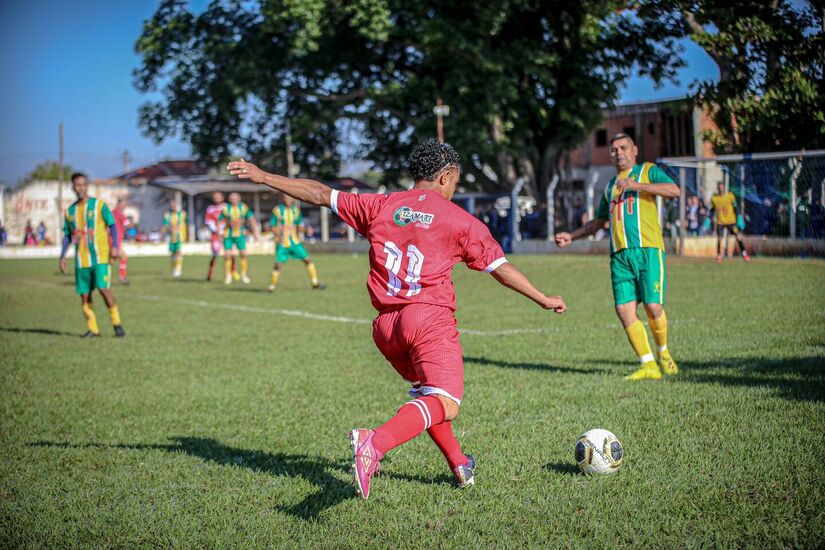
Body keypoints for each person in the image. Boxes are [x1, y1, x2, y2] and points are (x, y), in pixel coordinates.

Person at [228, 140, 566, 500]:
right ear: (446, 176)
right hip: (427, 319)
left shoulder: (381, 204)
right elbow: (500, 268)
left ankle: (459, 463)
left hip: (386, 326)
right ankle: (375, 443)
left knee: (426, 392)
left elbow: (320, 193)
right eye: (455, 181)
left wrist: (264, 176)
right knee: (445, 401)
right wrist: (543, 298)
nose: (454, 188)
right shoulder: (461, 220)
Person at [555, 133, 678, 381]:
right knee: (624, 310)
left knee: (653, 307)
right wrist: (573, 235)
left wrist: (637, 186)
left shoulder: (647, 171)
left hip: (648, 250)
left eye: (623, 147)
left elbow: (674, 190)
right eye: (613, 149)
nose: (618, 152)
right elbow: (598, 222)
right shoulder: (611, 186)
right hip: (620, 256)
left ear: (635, 150)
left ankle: (663, 352)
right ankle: (649, 365)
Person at [58, 172, 125, 338]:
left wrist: (115, 247)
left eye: (83, 184)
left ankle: (117, 324)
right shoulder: (70, 211)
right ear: (73, 187)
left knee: (103, 289)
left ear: (87, 186)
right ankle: (93, 329)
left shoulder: (99, 206)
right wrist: (62, 256)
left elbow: (113, 226)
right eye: (77, 185)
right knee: (84, 295)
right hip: (81, 260)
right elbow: (67, 235)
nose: (80, 188)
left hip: (101, 257)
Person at [268, 194, 325, 292]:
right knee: (278, 265)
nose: (288, 200)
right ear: (283, 199)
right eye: (286, 198)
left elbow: (299, 227)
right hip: (283, 243)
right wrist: (279, 237)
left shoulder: (296, 211)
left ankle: (315, 283)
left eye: (290, 198)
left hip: (295, 242)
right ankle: (271, 287)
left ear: (293, 199)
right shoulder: (277, 210)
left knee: (308, 260)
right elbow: (272, 226)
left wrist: (306, 230)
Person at [219, 192, 258, 284]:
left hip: (240, 234)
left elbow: (251, 219)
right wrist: (219, 232)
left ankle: (244, 275)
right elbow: (220, 220)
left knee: (243, 254)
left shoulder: (243, 208)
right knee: (227, 255)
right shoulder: (225, 208)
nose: (233, 200)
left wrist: (255, 232)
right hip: (228, 234)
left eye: (235, 198)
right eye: (231, 198)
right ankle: (228, 275)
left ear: (239, 199)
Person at [710, 182, 750, 263]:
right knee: (719, 239)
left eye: (722, 187)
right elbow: (712, 209)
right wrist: (709, 218)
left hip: (731, 222)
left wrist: (738, 217)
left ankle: (744, 254)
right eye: (719, 188)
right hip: (720, 222)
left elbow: (735, 207)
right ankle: (718, 256)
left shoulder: (730, 196)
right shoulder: (714, 198)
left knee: (738, 236)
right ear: (718, 189)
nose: (721, 189)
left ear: (724, 188)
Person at [204, 192, 236, 281]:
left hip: (227, 233)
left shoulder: (227, 207)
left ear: (222, 197)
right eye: (215, 197)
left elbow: (231, 220)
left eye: (218, 197)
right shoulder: (210, 209)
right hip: (215, 235)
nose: (216, 198)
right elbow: (209, 222)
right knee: (215, 254)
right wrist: (218, 232)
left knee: (231, 253)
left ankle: (232, 271)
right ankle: (210, 272)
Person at [162, 199, 188, 277]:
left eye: (174, 205)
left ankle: (178, 269)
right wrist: (167, 229)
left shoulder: (183, 214)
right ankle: (173, 269)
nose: (173, 207)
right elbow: (165, 225)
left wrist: (186, 234)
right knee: (173, 253)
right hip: (171, 236)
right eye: (171, 206)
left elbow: (186, 223)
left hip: (180, 235)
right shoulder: (167, 214)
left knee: (178, 252)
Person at [112, 199, 129, 283]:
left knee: (112, 259)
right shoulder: (120, 214)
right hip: (116, 239)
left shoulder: (112, 213)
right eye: (123, 204)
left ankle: (105, 278)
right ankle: (122, 278)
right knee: (123, 257)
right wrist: (131, 224)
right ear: (119, 204)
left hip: (111, 238)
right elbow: (127, 224)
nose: (124, 206)